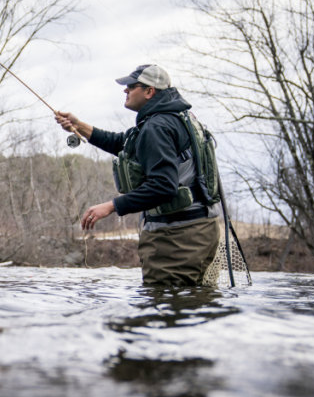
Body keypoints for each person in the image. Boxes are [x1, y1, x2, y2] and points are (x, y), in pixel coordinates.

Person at [56, 64, 221, 286]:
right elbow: (123, 143)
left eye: (131, 86)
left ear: (149, 91)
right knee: (193, 301)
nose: (125, 90)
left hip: (177, 237)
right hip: (200, 229)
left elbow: (163, 186)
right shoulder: (176, 117)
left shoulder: (157, 126)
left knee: (165, 302)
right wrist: (79, 126)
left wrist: (112, 206)